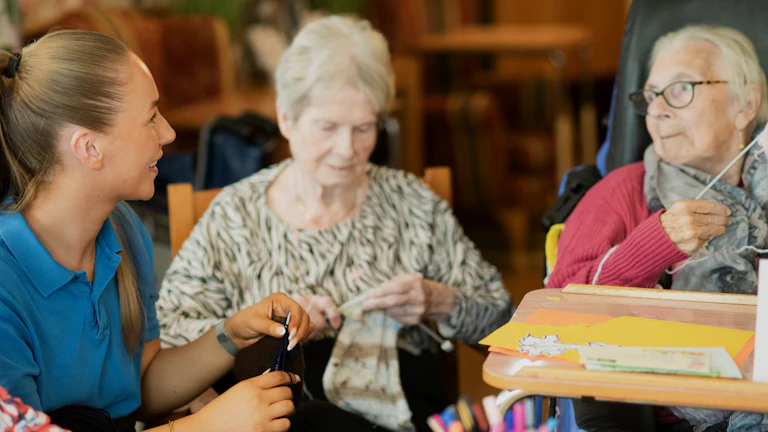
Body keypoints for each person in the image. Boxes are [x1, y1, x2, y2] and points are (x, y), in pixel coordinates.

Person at [156, 15, 514, 432]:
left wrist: (441, 301)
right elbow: (169, 342)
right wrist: (272, 330)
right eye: (328, 127)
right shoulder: (236, 216)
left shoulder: (413, 206)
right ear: (286, 118)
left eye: (364, 128)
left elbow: (507, 328)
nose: (347, 149)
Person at [0, 30, 314, 432]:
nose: (168, 133)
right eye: (150, 117)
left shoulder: (123, 231)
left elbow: (141, 387)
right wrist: (203, 427)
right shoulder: (7, 285)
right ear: (89, 148)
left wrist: (230, 334)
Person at [547, 25, 768, 432]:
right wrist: (653, 244)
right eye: (650, 96)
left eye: (680, 89)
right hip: (678, 418)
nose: (657, 110)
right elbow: (552, 313)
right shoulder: (621, 190)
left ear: (745, 104)